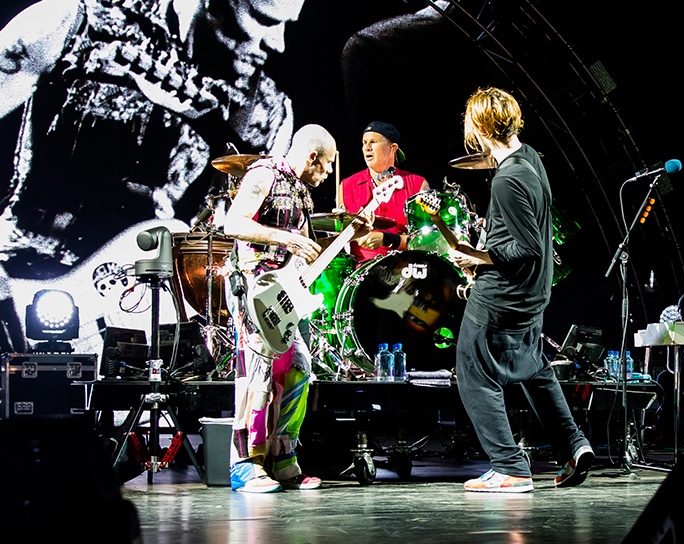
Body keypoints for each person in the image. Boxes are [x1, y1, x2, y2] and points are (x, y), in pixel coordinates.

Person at [0, 0, 306, 354]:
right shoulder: (74, 24)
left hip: (139, 328)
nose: (278, 44)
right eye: (264, 19)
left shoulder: (267, 113)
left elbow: (238, 254)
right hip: (17, 290)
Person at [448, 87, 593, 493]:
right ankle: (574, 446)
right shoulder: (529, 157)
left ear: (480, 129)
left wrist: (477, 256)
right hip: (533, 293)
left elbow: (527, 248)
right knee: (531, 367)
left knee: (474, 372)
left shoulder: (507, 180)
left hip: (502, 297)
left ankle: (510, 467)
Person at [222, 123, 341, 493]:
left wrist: (339, 237)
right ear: (312, 157)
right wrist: (286, 238)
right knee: (257, 375)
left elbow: (301, 249)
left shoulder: (300, 191)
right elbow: (232, 223)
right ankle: (245, 464)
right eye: (327, 165)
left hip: (283, 293)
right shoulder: (264, 174)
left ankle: (282, 457)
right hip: (253, 286)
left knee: (300, 369)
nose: (328, 173)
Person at [338, 121, 429, 263]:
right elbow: (337, 233)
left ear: (393, 148)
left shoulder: (418, 185)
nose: (367, 147)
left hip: (405, 268)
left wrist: (388, 239)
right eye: (364, 143)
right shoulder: (346, 186)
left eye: (373, 142)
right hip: (361, 270)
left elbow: (427, 242)